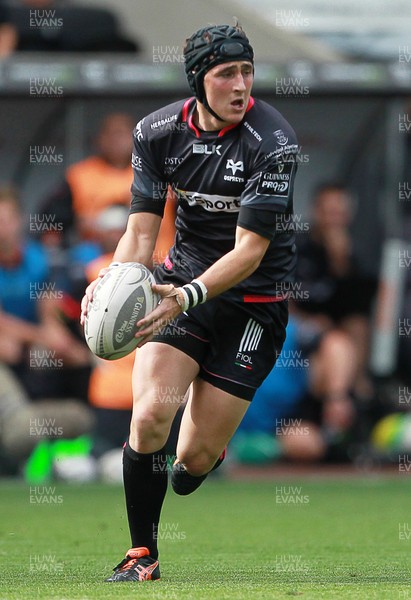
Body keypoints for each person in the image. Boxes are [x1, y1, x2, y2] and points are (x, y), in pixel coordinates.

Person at [81, 23, 298, 583]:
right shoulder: (156, 133)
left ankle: (206, 453)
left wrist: (188, 295)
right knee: (151, 415)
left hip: (253, 305)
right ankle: (141, 556)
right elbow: (140, 233)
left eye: (247, 71)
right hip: (181, 290)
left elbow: (250, 252)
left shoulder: (272, 141)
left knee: (191, 461)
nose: (240, 84)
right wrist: (116, 280)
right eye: (227, 73)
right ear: (199, 80)